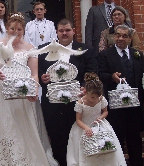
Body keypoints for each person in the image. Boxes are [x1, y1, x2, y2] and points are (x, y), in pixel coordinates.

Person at [0, 12, 58, 165]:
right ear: (7, 28)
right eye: (12, 28)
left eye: (19, 29)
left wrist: (33, 90)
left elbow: (34, 75)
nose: (16, 32)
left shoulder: (30, 48)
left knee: (19, 133)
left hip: (20, 98)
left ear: (24, 30)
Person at [38, 18, 97, 166]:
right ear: (56, 32)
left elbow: (92, 72)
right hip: (52, 105)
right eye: (61, 31)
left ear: (73, 31)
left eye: (67, 30)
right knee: (56, 137)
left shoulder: (84, 50)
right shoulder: (44, 49)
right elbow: (36, 71)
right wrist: (41, 77)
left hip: (77, 103)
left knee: (78, 136)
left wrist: (85, 86)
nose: (64, 33)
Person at [98, 24, 144, 166]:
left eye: (124, 36)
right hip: (115, 106)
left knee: (135, 138)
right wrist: (112, 77)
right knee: (117, 136)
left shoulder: (138, 55)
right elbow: (100, 74)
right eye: (117, 35)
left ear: (130, 38)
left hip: (135, 106)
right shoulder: (105, 55)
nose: (120, 38)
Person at [67, 72, 127, 166]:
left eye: (97, 97)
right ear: (86, 92)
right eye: (92, 97)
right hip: (84, 127)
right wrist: (86, 128)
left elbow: (105, 111)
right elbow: (78, 120)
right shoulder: (80, 102)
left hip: (100, 126)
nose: (94, 99)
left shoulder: (101, 99)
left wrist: (101, 117)